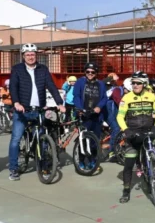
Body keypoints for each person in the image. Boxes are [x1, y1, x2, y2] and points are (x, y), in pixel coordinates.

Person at [8, 44, 65, 181]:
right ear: (23, 56)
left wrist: (59, 103)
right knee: (16, 139)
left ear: (36, 55)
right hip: (22, 110)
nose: (30, 57)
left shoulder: (43, 69)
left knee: (42, 139)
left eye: (32, 54)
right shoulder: (17, 69)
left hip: (39, 110)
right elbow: (13, 87)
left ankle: (43, 164)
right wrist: (16, 102)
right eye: (27, 54)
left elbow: (51, 86)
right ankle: (14, 169)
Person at [116, 71, 155, 203]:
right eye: (133, 82)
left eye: (138, 83)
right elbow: (120, 117)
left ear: (144, 84)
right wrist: (126, 130)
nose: (135, 85)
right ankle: (126, 190)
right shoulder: (126, 98)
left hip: (149, 131)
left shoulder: (151, 96)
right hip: (133, 132)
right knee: (129, 164)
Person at [72, 62, 108, 139]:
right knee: (83, 139)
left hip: (96, 115)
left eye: (93, 72)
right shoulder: (80, 82)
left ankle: (95, 151)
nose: (90, 74)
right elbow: (76, 96)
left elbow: (105, 98)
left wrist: (99, 106)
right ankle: (81, 151)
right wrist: (79, 108)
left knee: (95, 140)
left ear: (96, 73)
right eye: (88, 71)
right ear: (85, 72)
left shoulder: (101, 84)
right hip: (84, 115)